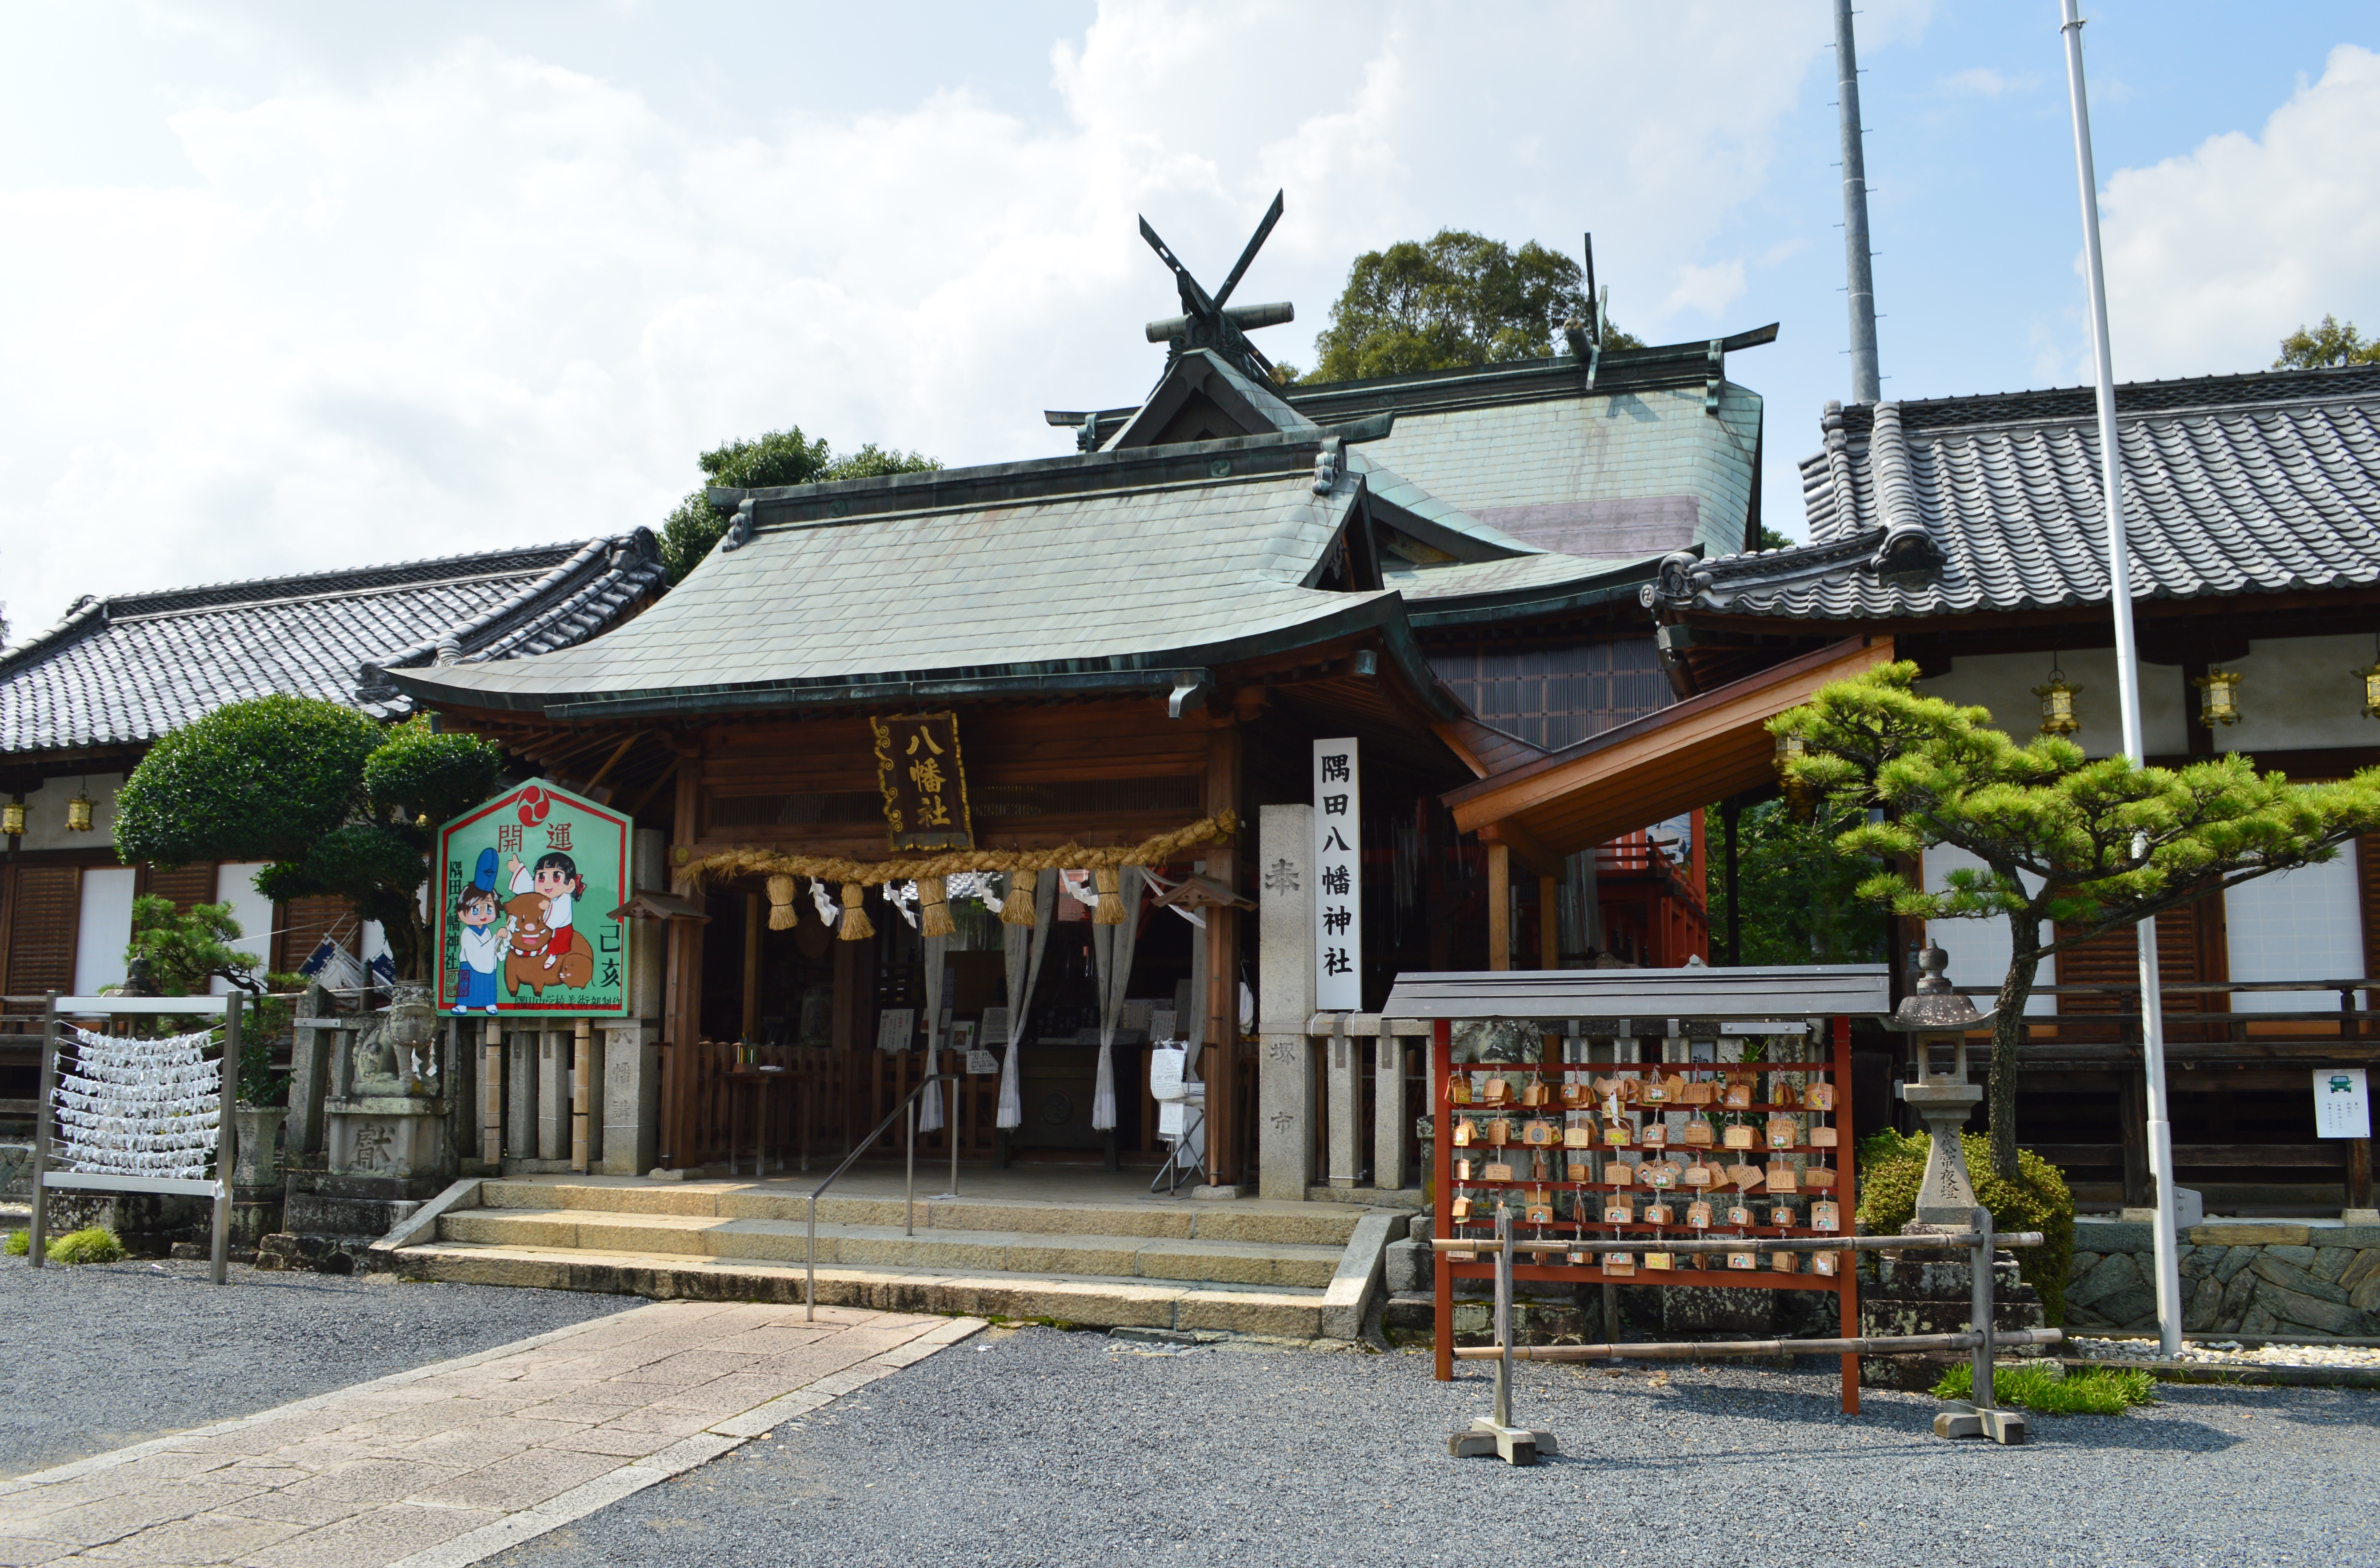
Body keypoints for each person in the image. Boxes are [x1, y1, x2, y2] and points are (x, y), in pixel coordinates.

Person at [508, 849, 587, 976]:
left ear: (570, 885)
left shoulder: (564, 900)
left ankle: (553, 956)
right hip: (540, 925)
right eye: (542, 877)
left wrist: (549, 907)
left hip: (560, 928)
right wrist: (518, 870)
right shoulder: (537, 891)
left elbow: (556, 919)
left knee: (556, 942)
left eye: (556, 877)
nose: (547, 883)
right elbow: (528, 887)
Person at [453, 848, 504, 1014]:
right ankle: (462, 1005)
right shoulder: (468, 933)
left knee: (488, 984)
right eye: (476, 910)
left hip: (487, 967)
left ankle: (490, 1004)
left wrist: (500, 942)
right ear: (461, 913)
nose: (483, 914)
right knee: (467, 985)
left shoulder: (487, 931)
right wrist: (497, 937)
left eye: (489, 908)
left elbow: (492, 951)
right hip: (469, 966)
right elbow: (476, 953)